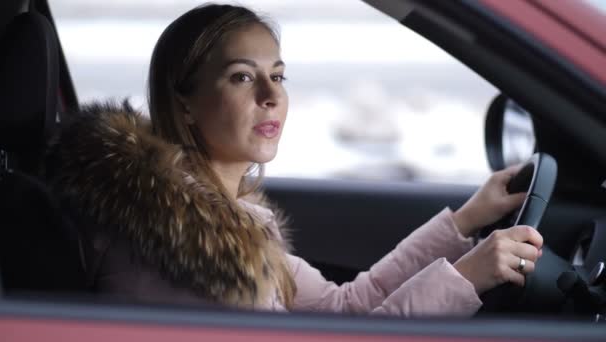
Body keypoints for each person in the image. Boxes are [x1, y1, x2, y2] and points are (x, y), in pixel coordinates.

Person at [45, 3, 543, 317]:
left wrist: (467, 219)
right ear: (185, 105)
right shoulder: (168, 242)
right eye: (242, 76)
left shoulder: (215, 218)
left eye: (278, 76)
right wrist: (467, 277)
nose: (271, 96)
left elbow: (342, 306)